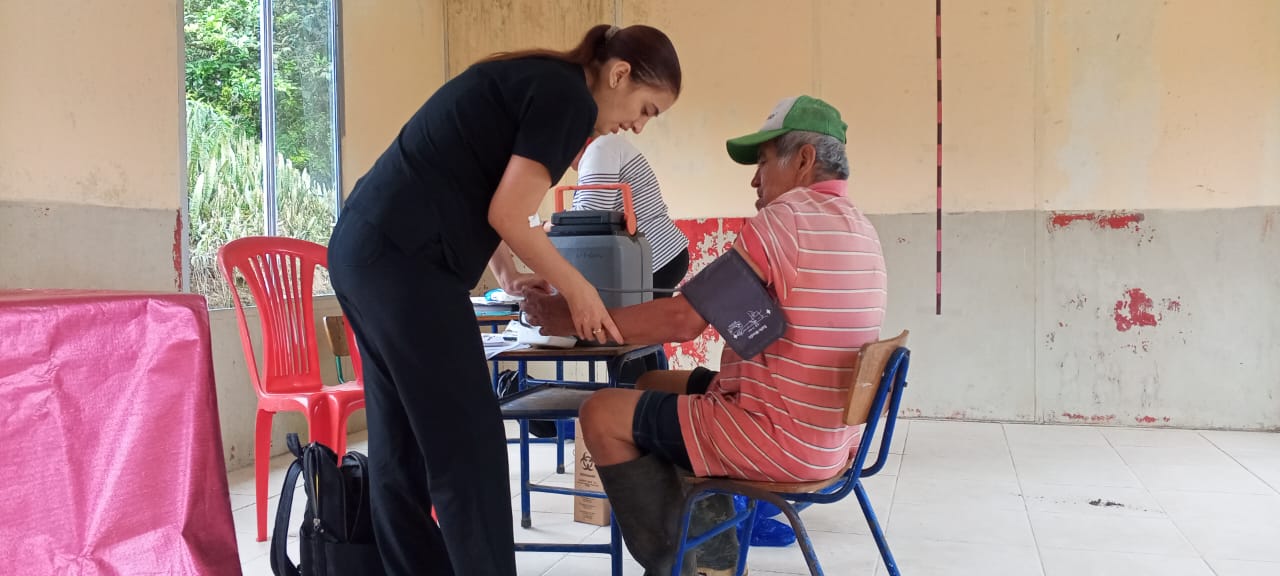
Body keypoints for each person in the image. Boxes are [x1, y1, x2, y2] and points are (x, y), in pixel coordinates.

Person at [326, 24, 681, 575]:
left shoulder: (540, 80)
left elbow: (483, 188)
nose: (637, 125)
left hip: (363, 251)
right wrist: (580, 290)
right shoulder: (568, 98)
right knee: (470, 448)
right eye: (646, 109)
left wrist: (508, 276)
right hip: (407, 264)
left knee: (401, 448)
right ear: (619, 74)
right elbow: (510, 214)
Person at [523, 95, 886, 576]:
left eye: (762, 162)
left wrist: (570, 319)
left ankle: (677, 566)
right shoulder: (860, 228)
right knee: (652, 383)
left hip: (778, 439)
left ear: (803, 160)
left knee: (601, 412)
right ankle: (715, 557)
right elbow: (748, 325)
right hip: (829, 440)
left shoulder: (787, 219)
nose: (754, 179)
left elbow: (683, 322)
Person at [570, 134, 690, 295]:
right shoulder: (604, 147)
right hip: (660, 255)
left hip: (653, 258)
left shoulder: (599, 150)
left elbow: (589, 217)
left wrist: (547, 227)